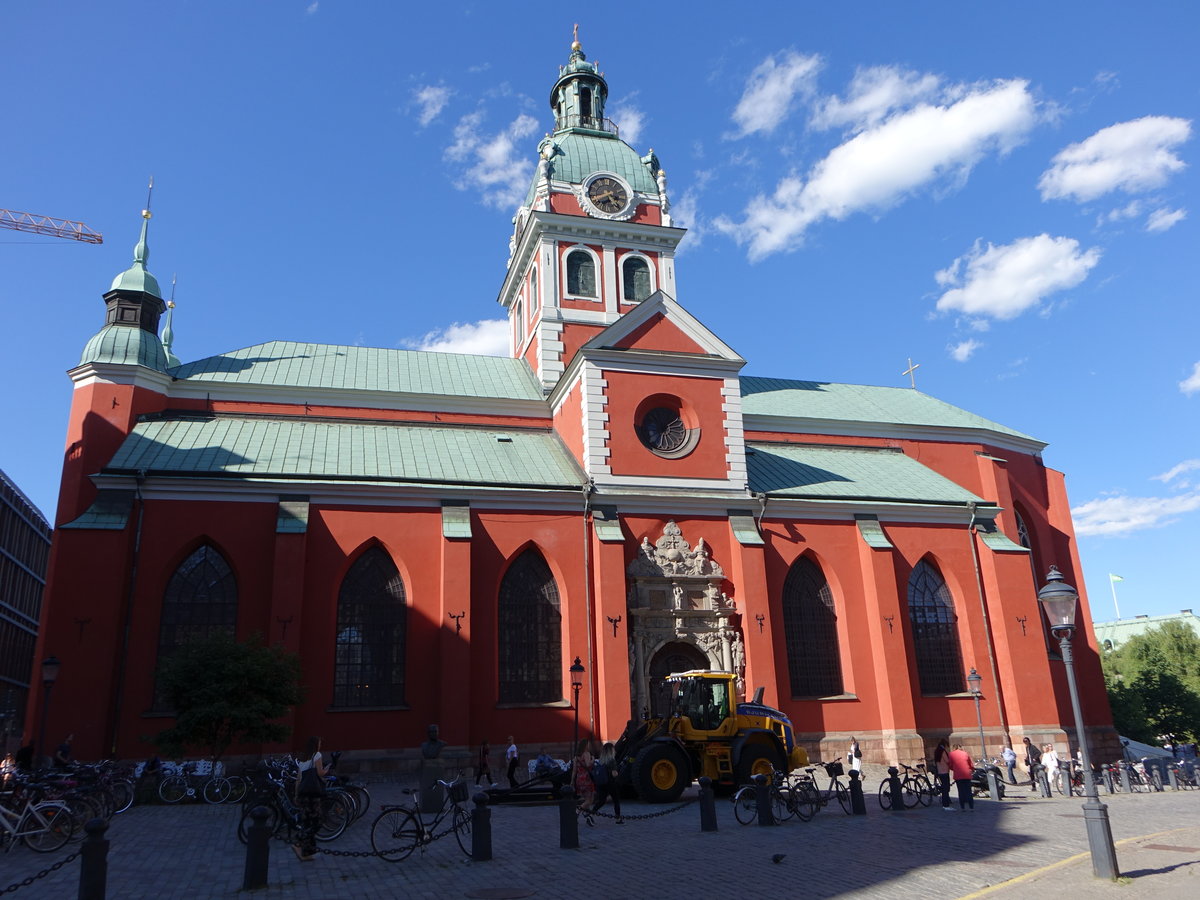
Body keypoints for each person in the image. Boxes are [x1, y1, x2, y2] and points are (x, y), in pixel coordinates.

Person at [293, 736, 326, 862]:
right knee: (317, 822)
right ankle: (299, 844)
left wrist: (296, 795)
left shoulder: (303, 759)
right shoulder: (317, 755)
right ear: (315, 745)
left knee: (307, 822)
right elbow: (320, 773)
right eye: (319, 743)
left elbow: (298, 779)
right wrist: (326, 770)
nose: (320, 745)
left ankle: (306, 852)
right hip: (312, 794)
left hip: (303, 793)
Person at [589, 742, 623, 824]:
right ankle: (618, 819)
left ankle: (591, 814)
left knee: (601, 801)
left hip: (601, 783)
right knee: (616, 800)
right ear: (611, 751)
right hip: (611, 783)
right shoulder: (612, 761)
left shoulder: (601, 760)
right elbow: (614, 774)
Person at [947, 743, 975, 811]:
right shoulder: (965, 753)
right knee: (968, 791)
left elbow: (950, 765)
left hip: (958, 775)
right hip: (967, 774)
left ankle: (963, 807)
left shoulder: (951, 754)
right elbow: (970, 764)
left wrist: (954, 769)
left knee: (961, 791)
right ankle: (971, 807)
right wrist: (972, 769)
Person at [573, 743, 595, 809]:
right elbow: (588, 764)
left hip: (579, 779)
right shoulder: (586, 753)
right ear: (585, 746)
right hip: (586, 778)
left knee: (586, 799)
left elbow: (574, 770)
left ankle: (587, 816)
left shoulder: (576, 757)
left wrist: (572, 781)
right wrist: (593, 759)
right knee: (590, 800)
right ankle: (578, 809)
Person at [933, 738, 953, 810]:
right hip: (945, 771)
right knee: (946, 788)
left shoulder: (937, 751)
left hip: (940, 771)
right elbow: (947, 761)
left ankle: (946, 802)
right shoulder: (943, 752)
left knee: (944, 787)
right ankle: (946, 804)